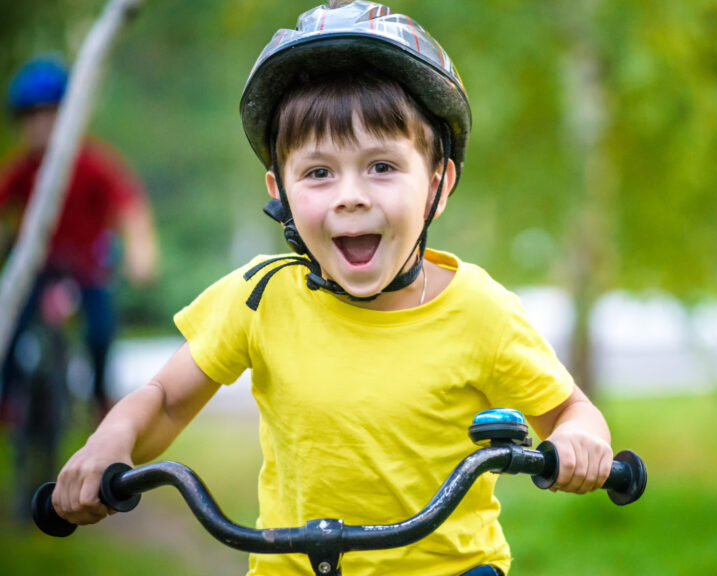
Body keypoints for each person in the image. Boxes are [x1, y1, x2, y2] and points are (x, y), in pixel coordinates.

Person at [51, 2, 614, 575]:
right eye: (319, 173)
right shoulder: (259, 297)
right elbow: (167, 399)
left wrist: (580, 441)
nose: (350, 196)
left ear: (438, 184)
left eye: (381, 167)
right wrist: (109, 442)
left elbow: (571, 409)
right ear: (282, 191)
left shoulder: (479, 311)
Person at [0, 55, 158, 423]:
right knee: (10, 326)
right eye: (31, 116)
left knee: (100, 330)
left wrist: (141, 253)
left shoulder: (93, 164)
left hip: (86, 267)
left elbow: (131, 208)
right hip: (36, 268)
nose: (41, 125)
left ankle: (99, 395)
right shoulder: (20, 170)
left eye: (51, 114)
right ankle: (6, 402)